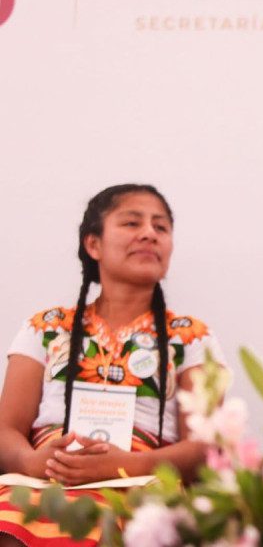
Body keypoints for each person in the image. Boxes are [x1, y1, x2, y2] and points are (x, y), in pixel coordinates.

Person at [0, 184, 225, 545]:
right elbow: (6, 429)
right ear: (94, 245)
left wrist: (124, 465)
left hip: (143, 485)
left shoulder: (191, 337)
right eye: (132, 223)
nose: (149, 233)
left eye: (161, 227)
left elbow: (205, 446)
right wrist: (32, 462)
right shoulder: (45, 328)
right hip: (44, 479)